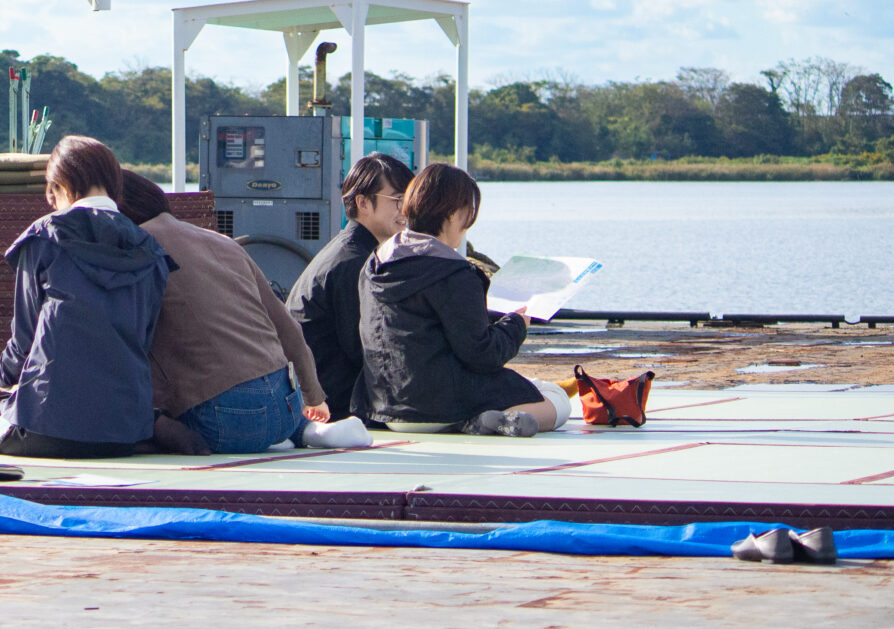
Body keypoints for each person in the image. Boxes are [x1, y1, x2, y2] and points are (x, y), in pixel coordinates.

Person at [119, 171, 370, 454]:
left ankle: (266, 434)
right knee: (266, 406)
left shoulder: (137, 249)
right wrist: (314, 397)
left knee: (144, 423)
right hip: (284, 404)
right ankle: (305, 430)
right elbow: (288, 328)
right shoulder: (222, 241)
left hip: (222, 418)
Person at [0, 137, 172, 458]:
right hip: (124, 428)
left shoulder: (45, 236)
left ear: (61, 186)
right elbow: (146, 338)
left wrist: (1, 376)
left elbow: (24, 337)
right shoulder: (151, 250)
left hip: (48, 423)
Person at [356, 163, 570, 436]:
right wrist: (517, 324)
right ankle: (480, 420)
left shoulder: (374, 265)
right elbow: (482, 355)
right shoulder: (454, 273)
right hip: (444, 404)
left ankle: (478, 420)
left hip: (386, 407)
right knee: (557, 399)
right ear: (453, 214)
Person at [287, 154, 416, 423]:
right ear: (362, 203)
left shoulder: (354, 250)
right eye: (397, 200)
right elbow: (367, 349)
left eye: (409, 200)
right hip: (335, 403)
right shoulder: (353, 262)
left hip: (323, 392)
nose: (406, 210)